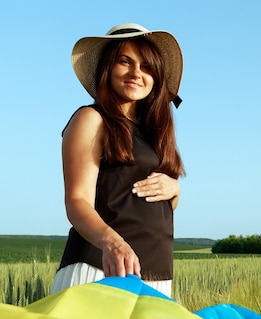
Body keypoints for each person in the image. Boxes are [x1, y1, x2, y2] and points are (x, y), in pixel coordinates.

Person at [51, 23, 185, 298]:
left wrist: (175, 190)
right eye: (125, 62)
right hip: (101, 269)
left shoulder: (155, 134)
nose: (137, 73)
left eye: (146, 67)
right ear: (108, 68)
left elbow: (155, 206)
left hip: (155, 276)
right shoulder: (91, 118)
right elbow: (77, 200)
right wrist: (112, 244)